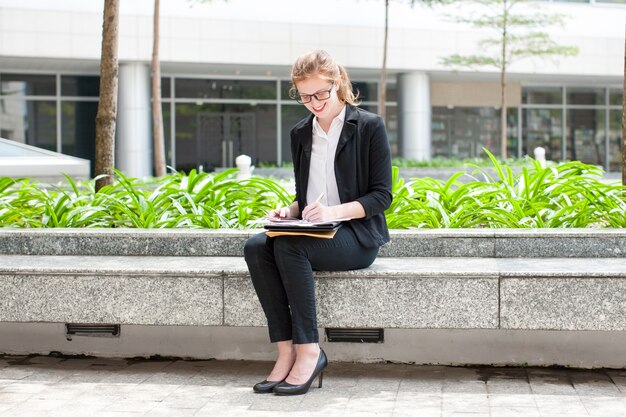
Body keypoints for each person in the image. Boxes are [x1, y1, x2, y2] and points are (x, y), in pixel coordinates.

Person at [243, 49, 392, 396]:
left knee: (290, 246)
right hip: (315, 231)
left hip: (356, 235)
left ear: (337, 83)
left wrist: (333, 214)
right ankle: (286, 351)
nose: (313, 102)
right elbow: (308, 195)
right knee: (256, 246)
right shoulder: (300, 133)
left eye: (320, 93)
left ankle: (310, 350)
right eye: (304, 96)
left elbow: (381, 197)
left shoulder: (368, 126)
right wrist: (290, 211)